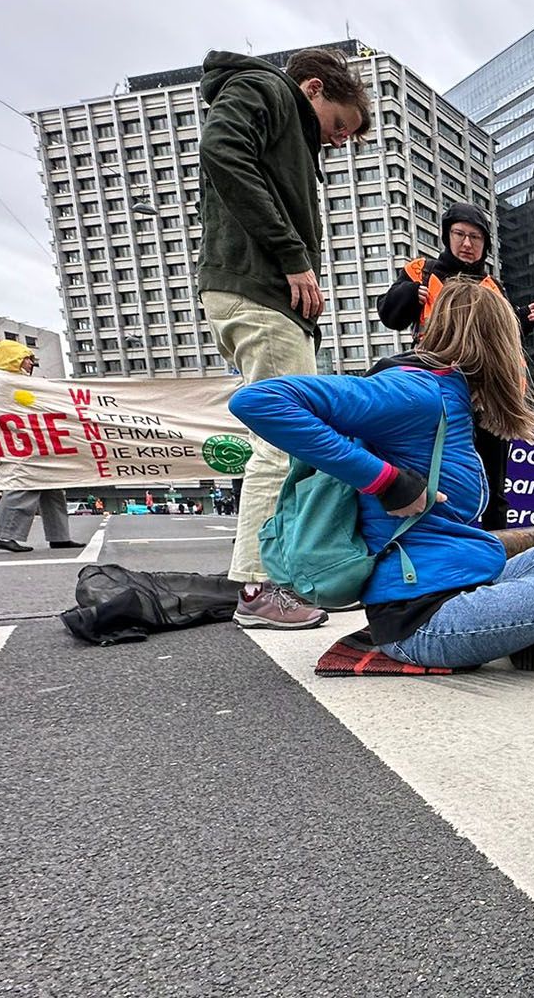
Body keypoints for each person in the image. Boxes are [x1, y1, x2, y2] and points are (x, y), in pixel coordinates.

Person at [229, 276, 534, 672]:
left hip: (465, 582)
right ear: (496, 344)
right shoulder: (416, 393)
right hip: (424, 618)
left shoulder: (452, 397)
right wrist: (387, 482)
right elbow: (259, 400)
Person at [197, 45, 371, 629]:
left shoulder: (281, 116)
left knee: (289, 438)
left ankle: (269, 577)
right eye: (341, 124)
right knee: (287, 440)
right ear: (315, 88)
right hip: (261, 292)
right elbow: (221, 149)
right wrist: (294, 258)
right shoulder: (268, 89)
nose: (340, 140)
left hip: (259, 294)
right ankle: (257, 585)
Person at [378, 202, 534, 532]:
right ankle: (441, 539)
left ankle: (497, 544)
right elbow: (390, 316)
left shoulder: (493, 287)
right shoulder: (421, 272)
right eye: (460, 235)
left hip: (489, 395)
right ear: (447, 236)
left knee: (495, 481)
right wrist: (411, 294)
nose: (467, 244)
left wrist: (521, 319)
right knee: (440, 472)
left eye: (475, 238)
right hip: (440, 392)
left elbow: (501, 340)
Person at [0, 341, 82, 554]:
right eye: (27, 359)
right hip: (22, 442)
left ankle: (59, 536)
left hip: (38, 440)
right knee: (24, 484)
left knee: (53, 488)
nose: (31, 364)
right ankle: (4, 535)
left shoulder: (21, 382)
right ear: (15, 359)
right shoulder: (3, 382)